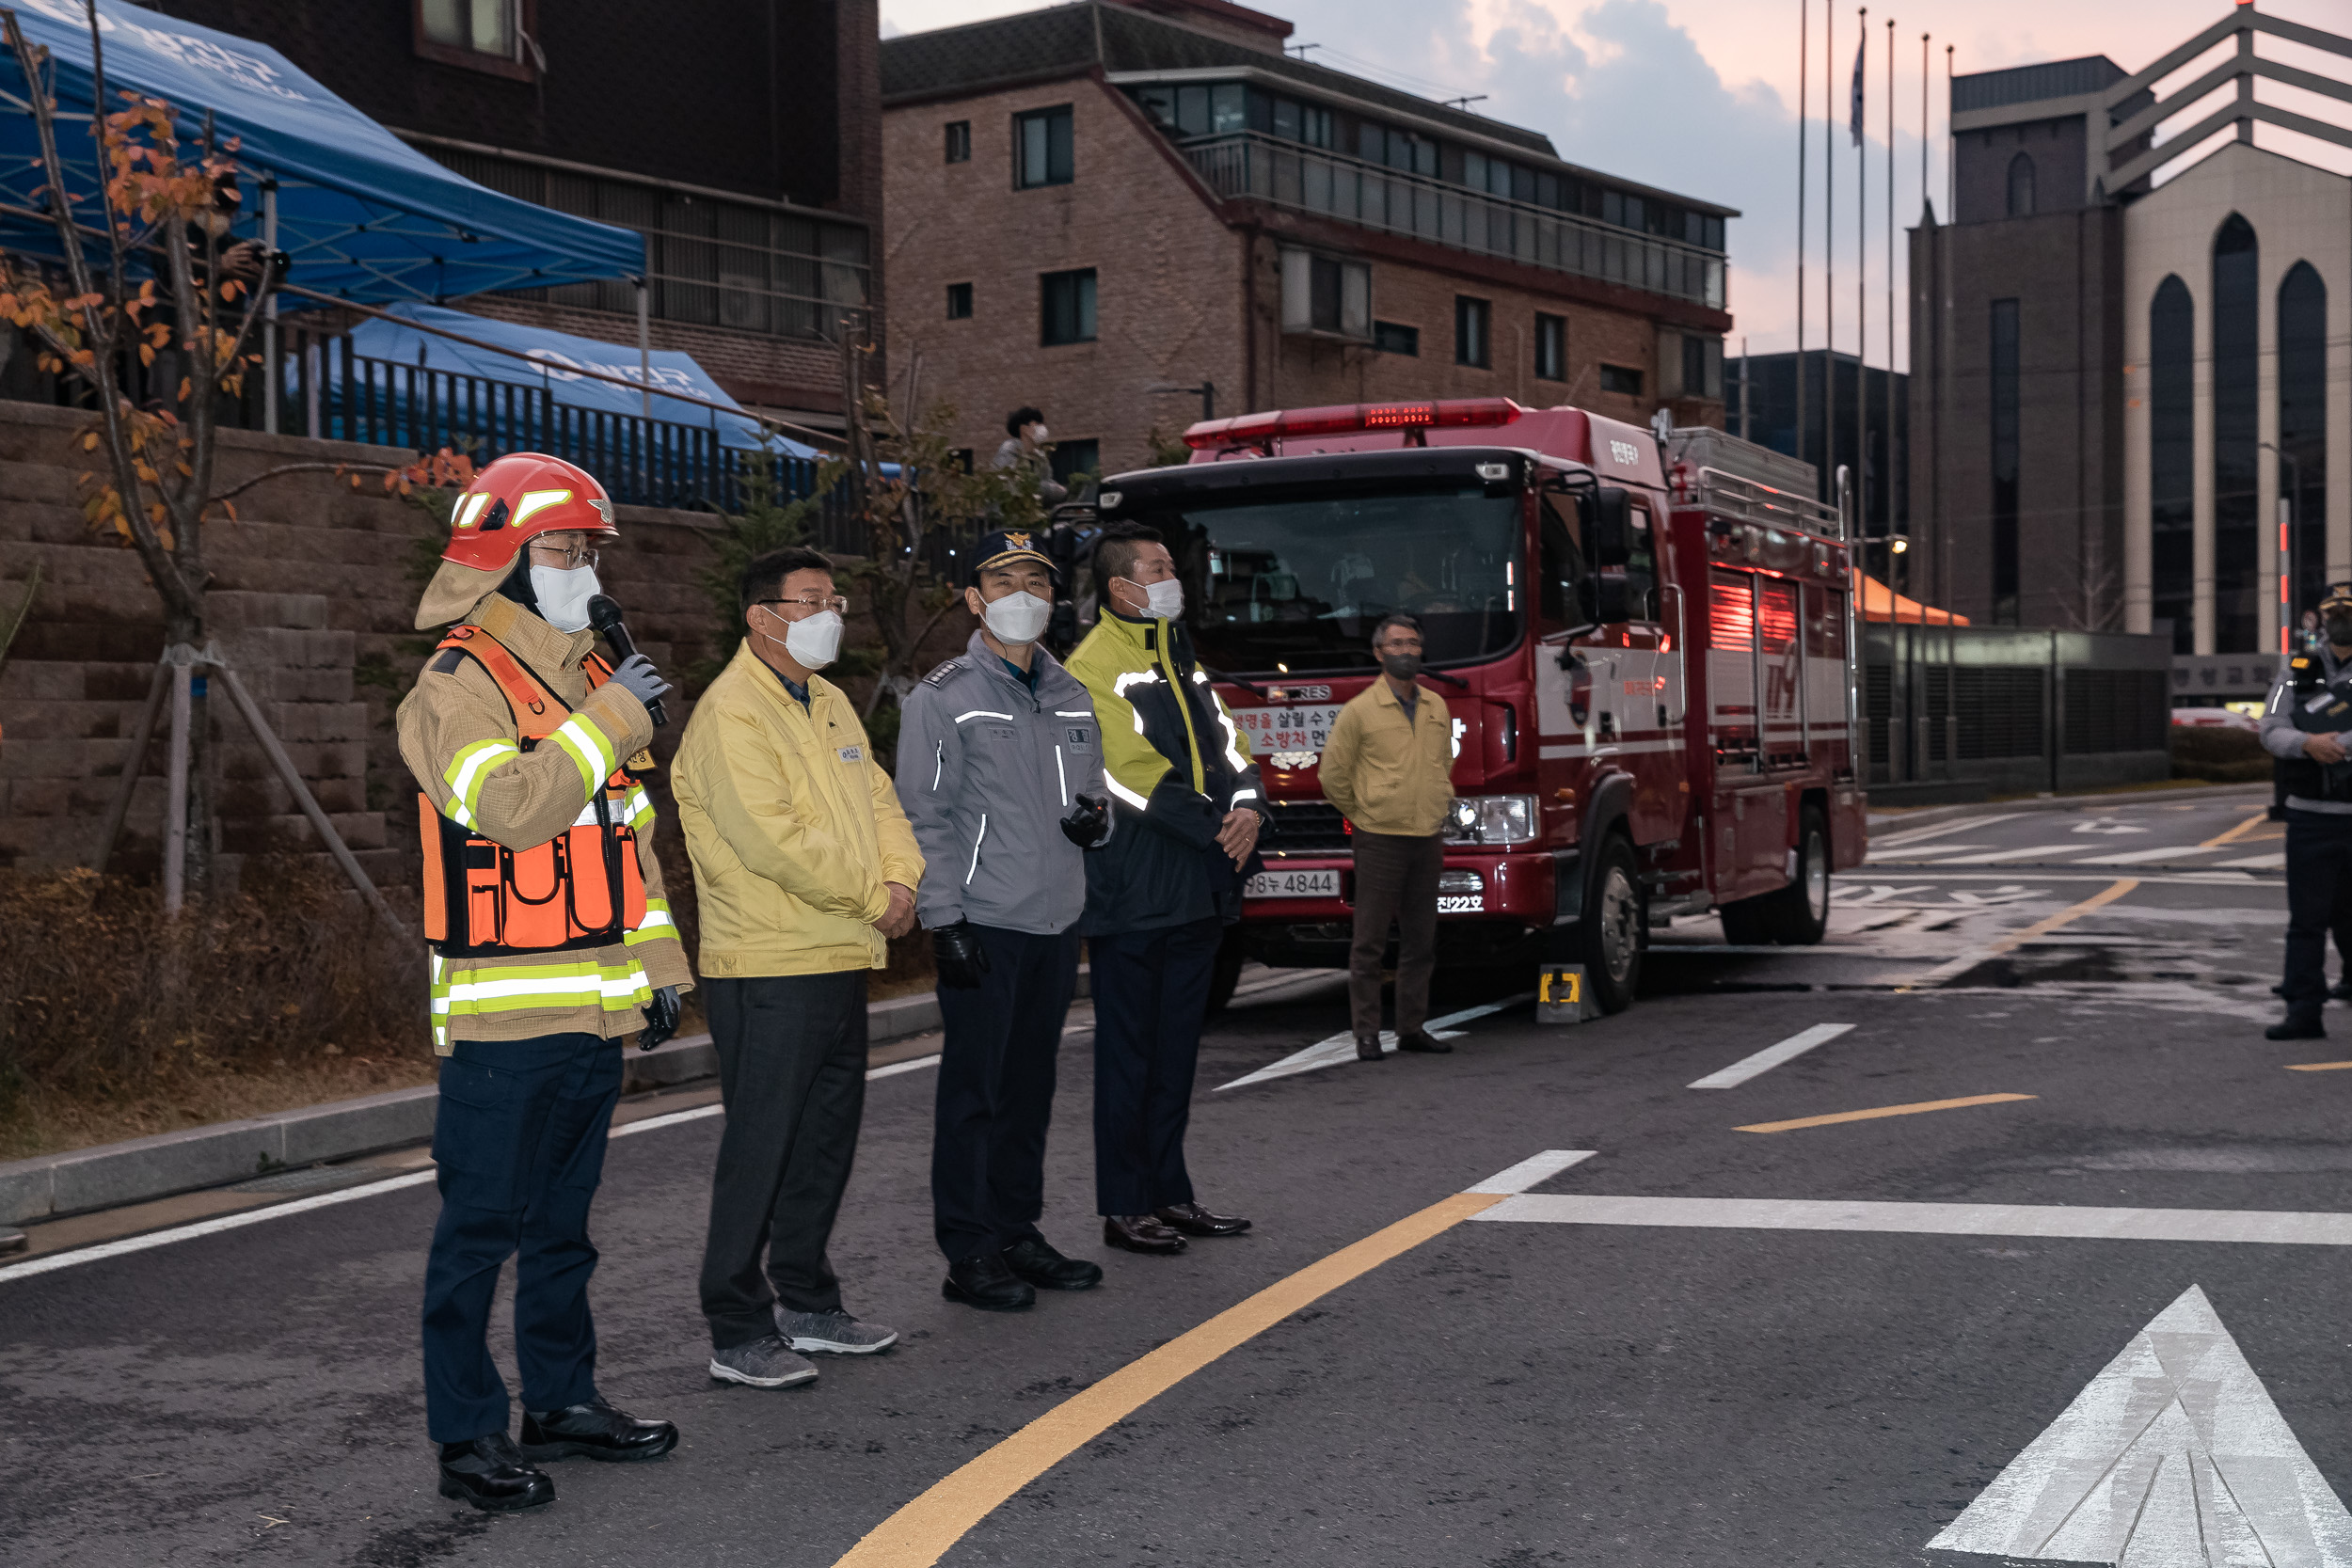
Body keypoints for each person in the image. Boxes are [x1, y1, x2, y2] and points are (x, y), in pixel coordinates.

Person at [396, 452, 690, 1513]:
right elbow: (511, 808)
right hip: (502, 1016)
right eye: (566, 548)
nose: (585, 569)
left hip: (591, 1009)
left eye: (589, 550)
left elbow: (628, 843)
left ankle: (560, 1401)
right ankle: (467, 1434)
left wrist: (657, 971)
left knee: (563, 1228)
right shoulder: (457, 684)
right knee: (478, 1233)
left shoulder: (575, 680)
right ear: (506, 560)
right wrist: (612, 716)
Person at [673, 546, 924, 1389]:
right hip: (770, 957)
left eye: (835, 598)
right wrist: (872, 894)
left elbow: (880, 800)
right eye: (812, 600)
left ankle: (809, 1301)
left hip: (840, 948)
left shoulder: (827, 704)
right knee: (763, 1142)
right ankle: (736, 1323)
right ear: (763, 617)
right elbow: (768, 836)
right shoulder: (731, 713)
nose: (832, 615)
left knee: (823, 1139)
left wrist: (901, 879)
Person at [896, 528, 1115, 1310]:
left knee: (1030, 1088)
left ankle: (1018, 1228)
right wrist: (943, 917)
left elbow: (1094, 794)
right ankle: (970, 1249)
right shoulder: (944, 696)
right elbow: (922, 814)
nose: (1024, 593)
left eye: (1038, 580)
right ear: (975, 598)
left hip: (1057, 920)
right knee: (974, 1093)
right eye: (1006, 580)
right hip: (984, 920)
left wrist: (1100, 823)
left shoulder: (1070, 692)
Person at [1065, 523, 1268, 1255]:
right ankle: (1125, 1205)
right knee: (1130, 1054)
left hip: (1198, 886)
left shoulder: (1180, 656)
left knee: (1176, 1050)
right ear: (1122, 587)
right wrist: (1220, 824)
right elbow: (1125, 770)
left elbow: (1231, 744)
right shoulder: (1094, 664)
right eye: (1158, 568)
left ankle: (1169, 1190)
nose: (1172, 576)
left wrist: (1250, 805)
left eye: (1171, 566)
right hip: (1136, 888)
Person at [1317, 613, 1458, 1063]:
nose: (1406, 650)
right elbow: (1332, 776)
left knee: (1421, 940)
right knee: (1370, 942)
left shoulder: (1437, 706)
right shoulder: (1359, 711)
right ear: (1378, 653)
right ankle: (1367, 1034)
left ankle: (1412, 1029)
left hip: (1426, 835)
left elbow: (1441, 764)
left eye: (1413, 643)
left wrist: (1435, 800)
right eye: (1396, 643)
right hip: (1379, 837)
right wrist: (1364, 813)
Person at [2260, 580, 2352, 1040]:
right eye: (2333, 612)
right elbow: (2270, 727)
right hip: (2311, 815)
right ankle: (2303, 1011)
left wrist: (2339, 745)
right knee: (2307, 920)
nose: (2340, 621)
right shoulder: (2295, 669)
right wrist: (2306, 743)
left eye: (2348, 612)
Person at [993, 406, 1067, 515]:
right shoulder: (1009, 450)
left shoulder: (1040, 457)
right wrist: (1053, 490)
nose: (1042, 428)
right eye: (1036, 424)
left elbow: (1048, 481)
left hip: (1036, 516)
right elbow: (1014, 487)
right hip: (1009, 518)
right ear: (1024, 429)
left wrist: (1055, 490)